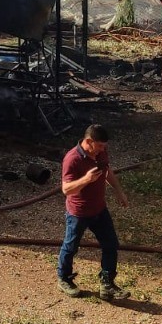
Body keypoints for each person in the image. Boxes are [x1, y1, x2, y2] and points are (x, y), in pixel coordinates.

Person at [57, 124, 129, 300]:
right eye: (100, 146)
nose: (103, 150)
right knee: (70, 246)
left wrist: (119, 191)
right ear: (89, 142)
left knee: (111, 244)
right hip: (78, 213)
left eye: (105, 147)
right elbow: (66, 189)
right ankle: (64, 278)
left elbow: (107, 171)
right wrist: (86, 179)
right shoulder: (72, 159)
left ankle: (107, 284)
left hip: (99, 209)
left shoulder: (100, 154)